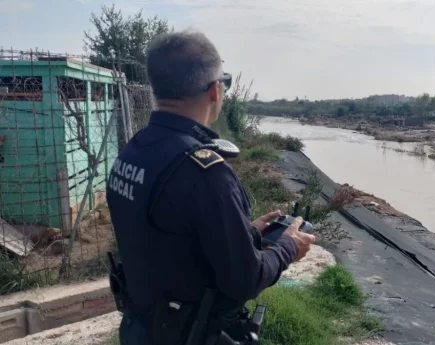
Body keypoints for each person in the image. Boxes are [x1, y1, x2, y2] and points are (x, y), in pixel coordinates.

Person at [105, 30, 316, 345]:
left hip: (139, 328)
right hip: (189, 335)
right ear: (215, 91)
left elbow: (167, 240)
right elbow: (245, 279)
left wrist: (248, 233)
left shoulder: (133, 150)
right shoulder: (206, 173)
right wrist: (287, 247)